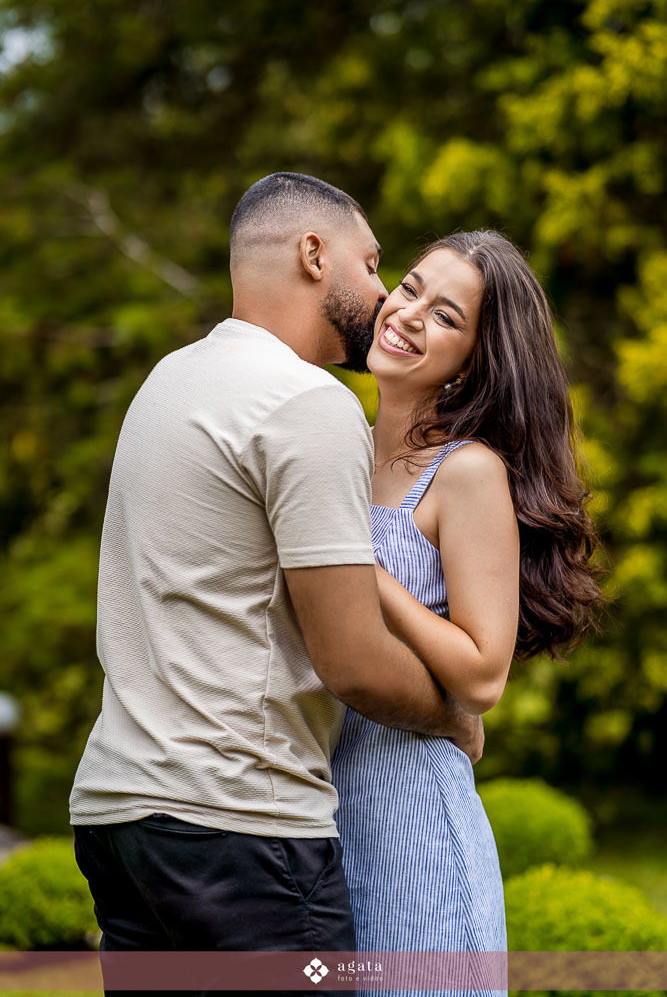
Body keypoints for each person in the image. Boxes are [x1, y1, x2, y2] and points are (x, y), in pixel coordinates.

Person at [69, 174, 483, 993]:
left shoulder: (168, 381)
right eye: (370, 266)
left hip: (119, 816)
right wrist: (453, 721)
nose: (379, 291)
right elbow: (352, 658)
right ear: (312, 253)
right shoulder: (307, 402)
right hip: (241, 831)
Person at [331, 230, 602, 996]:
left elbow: (482, 674)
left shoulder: (465, 472)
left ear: (475, 360)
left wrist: (351, 566)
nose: (408, 314)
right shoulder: (337, 451)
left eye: (445, 315)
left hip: (414, 829)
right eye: (410, 287)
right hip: (319, 820)